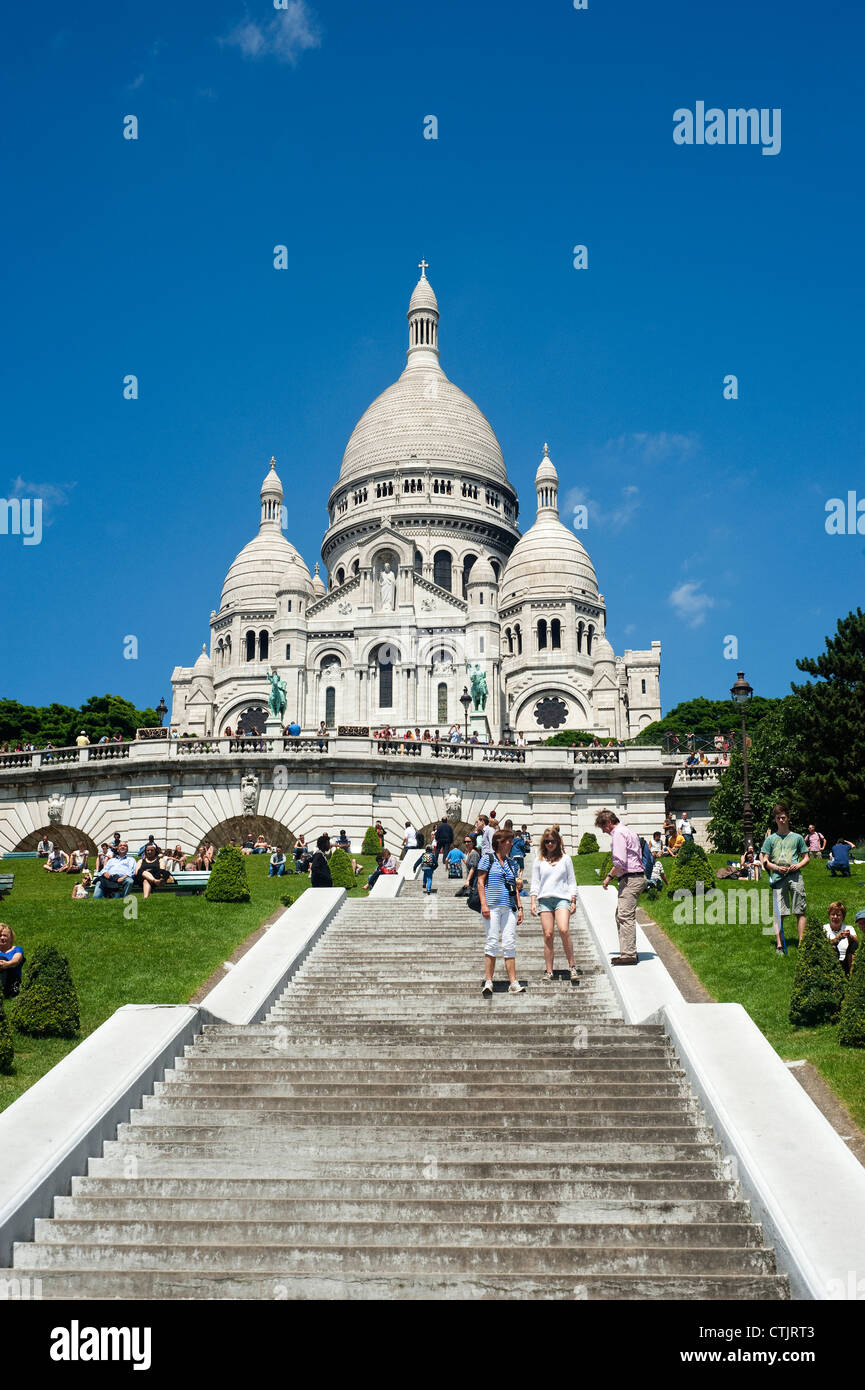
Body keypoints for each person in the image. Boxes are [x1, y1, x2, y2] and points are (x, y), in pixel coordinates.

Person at [595, 809, 645, 966]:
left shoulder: (618, 833)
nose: (603, 831)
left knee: (624, 915)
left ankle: (629, 954)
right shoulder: (628, 831)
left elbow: (620, 862)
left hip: (631, 879)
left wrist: (609, 877)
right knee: (621, 914)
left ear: (609, 823)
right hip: (636, 877)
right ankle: (628, 950)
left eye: (603, 827)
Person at [478, 829, 525, 995]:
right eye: (509, 841)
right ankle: (488, 981)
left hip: (509, 907)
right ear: (500, 842)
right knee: (492, 941)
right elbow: (480, 882)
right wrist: (484, 904)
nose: (511, 844)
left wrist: (520, 908)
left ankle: (513, 982)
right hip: (492, 906)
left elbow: (515, 889)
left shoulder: (512, 863)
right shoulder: (487, 859)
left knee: (509, 942)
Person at [530, 826, 579, 982]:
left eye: (552, 841)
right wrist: (532, 901)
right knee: (548, 934)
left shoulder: (566, 859)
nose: (549, 844)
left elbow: (572, 881)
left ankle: (572, 966)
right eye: (547, 842)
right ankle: (549, 971)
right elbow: (535, 882)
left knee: (564, 929)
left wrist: (573, 899)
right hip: (544, 900)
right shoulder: (539, 860)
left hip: (562, 898)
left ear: (558, 842)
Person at [760, 804, 809, 949]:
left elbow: (806, 858)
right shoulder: (771, 839)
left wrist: (798, 865)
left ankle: (801, 943)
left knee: (800, 910)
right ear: (775, 820)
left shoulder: (797, 837)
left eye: (783, 817)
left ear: (788, 817)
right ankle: (780, 945)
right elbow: (765, 860)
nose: (781, 820)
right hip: (778, 878)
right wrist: (776, 867)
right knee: (779, 912)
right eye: (778, 818)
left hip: (795, 876)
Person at [823, 902, 859, 977]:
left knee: (853, 943)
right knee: (833, 947)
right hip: (830, 960)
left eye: (838, 915)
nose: (835, 917)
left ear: (843, 917)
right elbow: (822, 945)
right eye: (833, 914)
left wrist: (849, 936)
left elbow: (856, 942)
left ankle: (852, 975)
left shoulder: (849, 928)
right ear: (829, 916)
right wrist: (838, 938)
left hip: (846, 961)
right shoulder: (824, 928)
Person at [0, 925, 24, 998]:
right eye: (0, 935)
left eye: (5, 935)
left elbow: (16, 960)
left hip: (12, 981)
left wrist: (6, 964)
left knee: (2, 958)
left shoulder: (17, 949)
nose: (2, 938)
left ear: (11, 938)